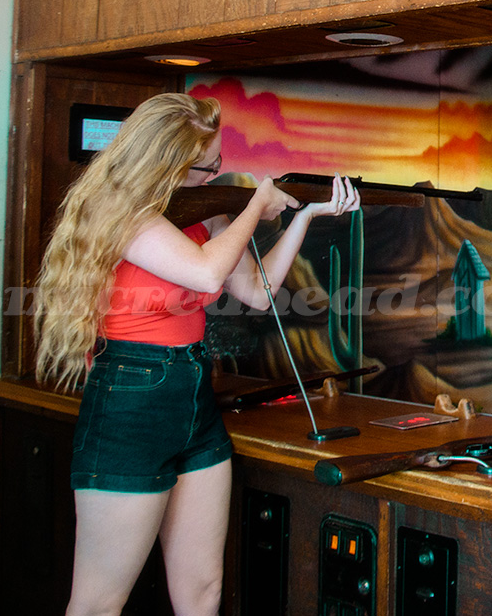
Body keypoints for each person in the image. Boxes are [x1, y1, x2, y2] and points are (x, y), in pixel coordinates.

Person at [34, 93, 359, 616]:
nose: (214, 175)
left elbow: (258, 292)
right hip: (130, 397)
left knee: (203, 591)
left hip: (192, 394)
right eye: (206, 167)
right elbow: (207, 273)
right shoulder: (121, 212)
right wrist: (255, 205)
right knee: (97, 603)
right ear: (167, 161)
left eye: (218, 163)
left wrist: (307, 215)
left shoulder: (201, 214)